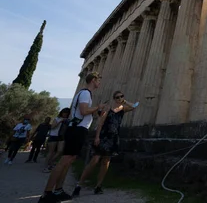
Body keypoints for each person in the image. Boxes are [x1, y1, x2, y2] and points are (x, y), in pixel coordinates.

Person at [38, 72, 105, 203]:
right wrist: (98, 107)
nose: (99, 83)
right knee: (64, 160)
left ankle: (58, 190)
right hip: (77, 130)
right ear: (93, 80)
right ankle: (47, 193)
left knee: (69, 160)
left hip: (78, 129)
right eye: (98, 80)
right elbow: (84, 111)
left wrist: (96, 112)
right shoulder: (85, 93)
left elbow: (83, 112)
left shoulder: (84, 94)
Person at [73, 90, 137, 196]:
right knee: (95, 160)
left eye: (121, 96)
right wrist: (97, 137)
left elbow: (134, 106)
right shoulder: (108, 109)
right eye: (117, 97)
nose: (119, 98)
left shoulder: (122, 109)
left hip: (113, 137)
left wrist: (125, 101)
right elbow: (101, 123)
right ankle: (79, 184)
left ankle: (98, 186)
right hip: (103, 136)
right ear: (114, 99)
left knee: (106, 162)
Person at [44, 108, 71, 172]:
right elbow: (52, 127)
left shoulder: (67, 120)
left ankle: (51, 162)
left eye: (66, 113)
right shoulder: (57, 119)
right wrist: (60, 121)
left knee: (60, 151)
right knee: (51, 152)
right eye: (64, 113)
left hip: (61, 137)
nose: (65, 114)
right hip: (54, 136)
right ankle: (46, 166)